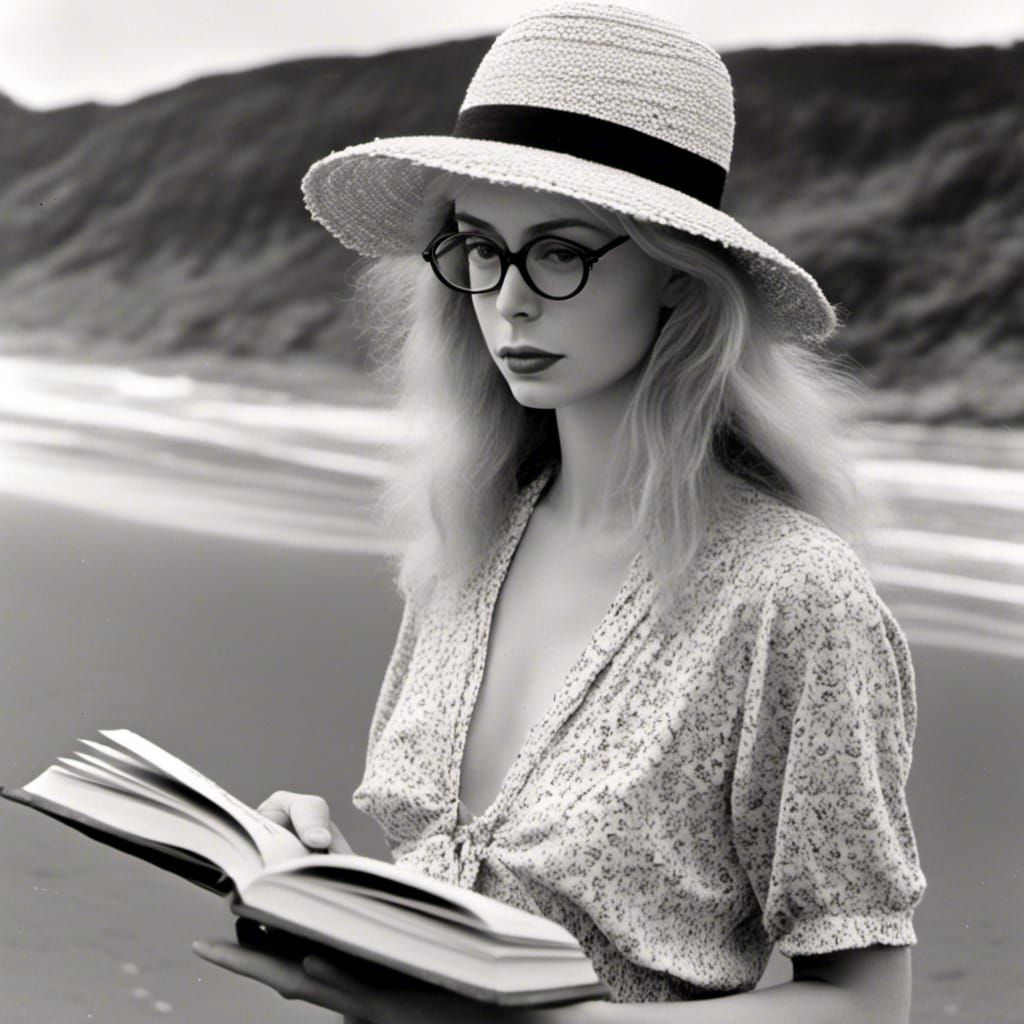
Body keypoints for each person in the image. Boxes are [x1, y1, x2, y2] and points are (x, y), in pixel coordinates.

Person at [192, 3, 927, 1021]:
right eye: (479, 248)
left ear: (677, 274)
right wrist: (324, 888)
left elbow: (862, 1004)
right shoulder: (465, 544)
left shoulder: (787, 595)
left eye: (560, 252)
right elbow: (486, 917)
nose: (507, 302)